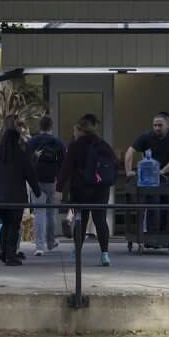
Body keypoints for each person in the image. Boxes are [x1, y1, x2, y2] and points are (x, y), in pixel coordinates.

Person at [57, 113, 117, 267]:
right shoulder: (103, 145)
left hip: (80, 189)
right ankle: (104, 254)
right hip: (100, 189)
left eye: (75, 131)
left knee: (81, 221)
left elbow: (66, 168)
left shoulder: (75, 146)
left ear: (80, 130)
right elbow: (113, 164)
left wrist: (59, 188)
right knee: (100, 220)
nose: (74, 134)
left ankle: (78, 253)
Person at [0, 121, 41, 267]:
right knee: (14, 225)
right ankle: (10, 254)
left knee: (5, 223)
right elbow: (29, 173)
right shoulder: (20, 154)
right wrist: (36, 191)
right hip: (16, 196)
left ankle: (4, 252)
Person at [125, 112, 169, 238]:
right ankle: (151, 235)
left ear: (167, 124)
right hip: (150, 178)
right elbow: (130, 151)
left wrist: (162, 171)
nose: (157, 128)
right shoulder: (146, 136)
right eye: (155, 125)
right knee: (153, 203)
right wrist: (128, 171)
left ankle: (166, 235)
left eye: (160, 125)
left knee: (167, 205)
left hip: (167, 176)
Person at [26, 114, 66, 256]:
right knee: (51, 213)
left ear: (40, 127)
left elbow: (26, 161)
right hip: (53, 182)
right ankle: (51, 242)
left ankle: (40, 246)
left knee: (39, 213)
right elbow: (64, 164)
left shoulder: (32, 142)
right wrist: (60, 183)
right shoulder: (58, 143)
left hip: (36, 182)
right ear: (51, 127)